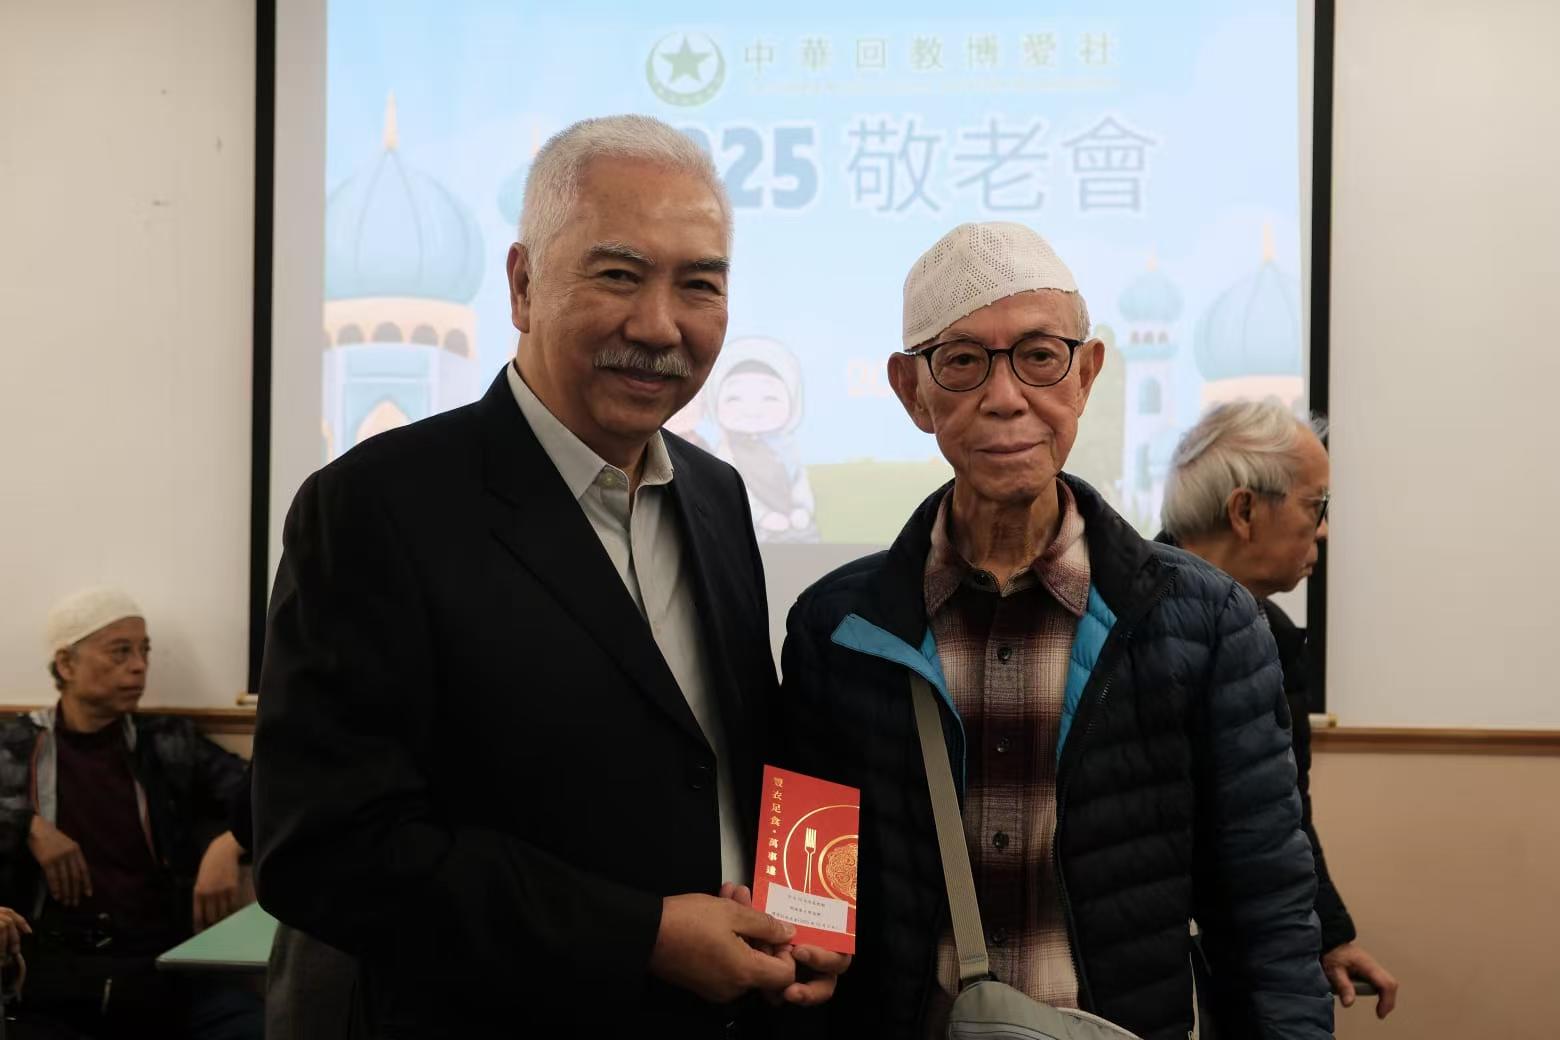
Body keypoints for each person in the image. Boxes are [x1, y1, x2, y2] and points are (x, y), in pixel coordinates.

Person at [253, 114, 847, 1036]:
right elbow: (326, 851)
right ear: (523, 286)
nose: (659, 325)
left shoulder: (717, 494)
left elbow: (729, 751)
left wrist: (812, 919)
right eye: (618, 275)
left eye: (699, 284)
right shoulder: (375, 506)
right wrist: (641, 936)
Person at [773, 222, 1332, 1039]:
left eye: (1040, 356)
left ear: (1087, 374)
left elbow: (1268, 912)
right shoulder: (838, 628)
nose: (1006, 397)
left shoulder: (1206, 624)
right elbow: (807, 907)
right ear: (912, 391)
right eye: (962, 361)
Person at [1160, 399, 1399, 1021]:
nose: (1323, 530)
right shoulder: (1112, 627)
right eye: (1316, 505)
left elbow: (1285, 820)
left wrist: (1330, 934)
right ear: (1244, 511)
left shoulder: (1278, 639)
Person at [0, 587, 261, 1039]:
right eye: (121, 652)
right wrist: (27, 824)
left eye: (145, 651)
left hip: (161, 971)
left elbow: (262, 791)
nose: (139, 666)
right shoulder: (14, 747)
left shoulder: (166, 742)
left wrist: (230, 842)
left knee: (262, 1028)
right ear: (66, 664)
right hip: (51, 980)